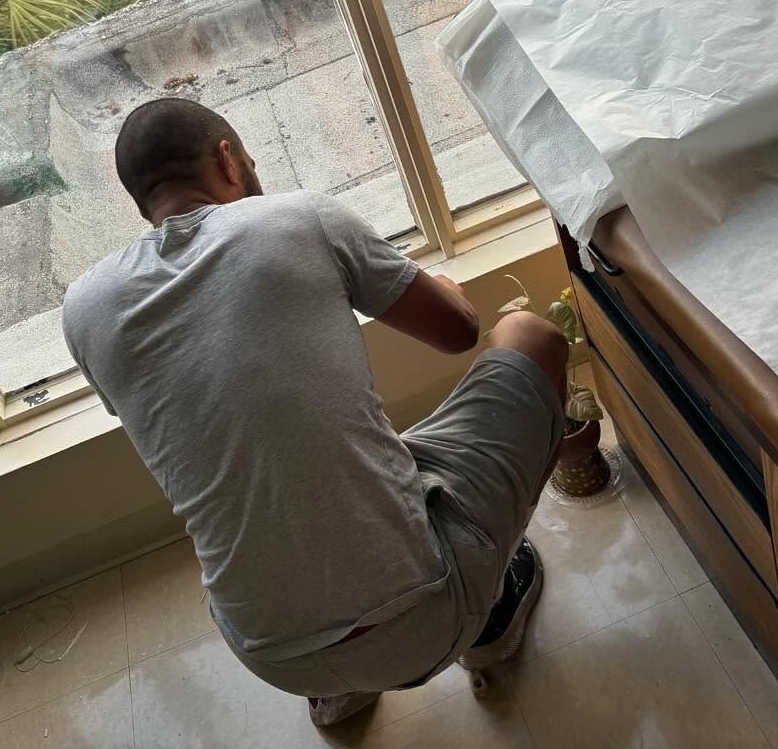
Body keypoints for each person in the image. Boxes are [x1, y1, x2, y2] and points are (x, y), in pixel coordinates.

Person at [62, 98, 569, 727]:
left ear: (142, 198)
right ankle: (490, 617)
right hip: (422, 618)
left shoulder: (85, 309)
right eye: (247, 158)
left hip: (269, 656)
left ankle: (339, 693)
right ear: (228, 158)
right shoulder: (297, 217)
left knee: (334, 467)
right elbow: (458, 331)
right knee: (530, 337)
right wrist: (445, 288)